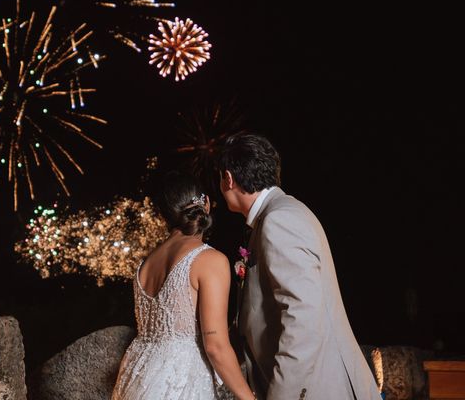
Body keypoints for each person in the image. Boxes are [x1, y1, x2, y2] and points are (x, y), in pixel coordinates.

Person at [219, 132, 381, 400]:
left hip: (319, 389)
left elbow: (303, 318)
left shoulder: (279, 220)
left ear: (228, 178)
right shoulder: (282, 213)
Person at [112, 172, 256, 400]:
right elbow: (215, 346)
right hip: (179, 384)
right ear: (206, 203)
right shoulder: (210, 260)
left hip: (136, 378)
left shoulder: (144, 266)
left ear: (163, 216)